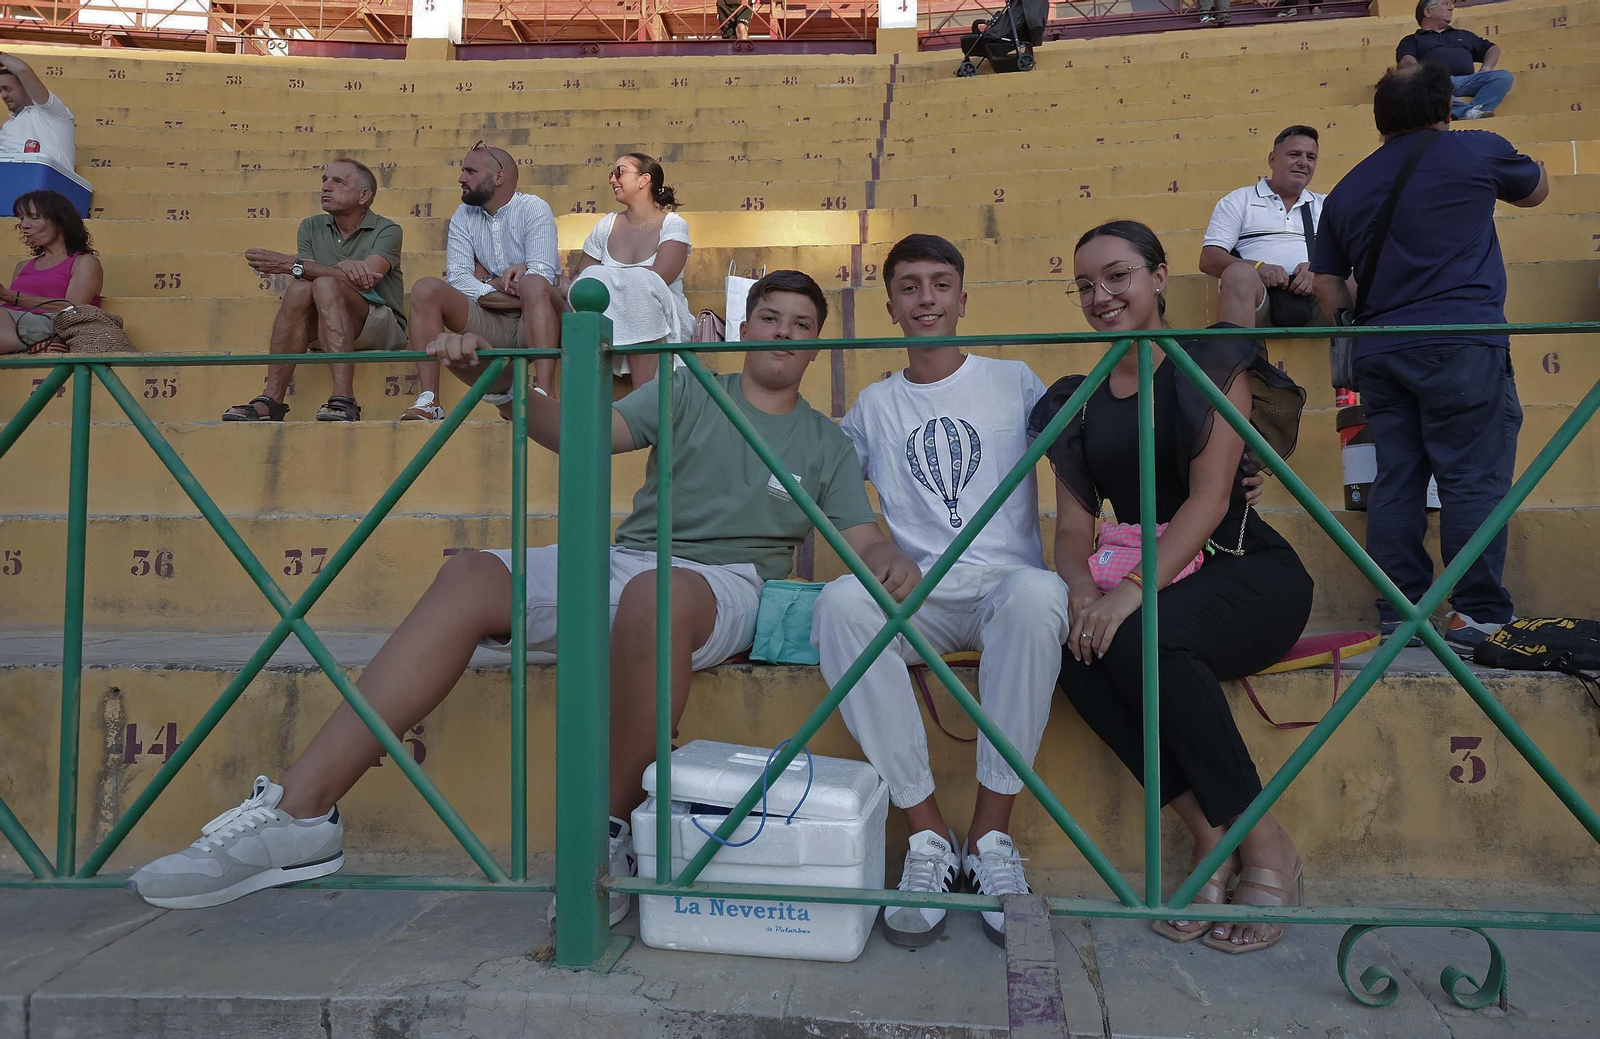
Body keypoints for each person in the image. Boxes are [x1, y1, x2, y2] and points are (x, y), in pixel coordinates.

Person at [126, 270, 921, 924]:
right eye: (770, 316)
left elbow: (861, 533)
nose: (783, 332)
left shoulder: (825, 438)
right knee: (470, 574)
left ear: (819, 342)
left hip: (724, 587)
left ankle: (607, 839)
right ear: (746, 325)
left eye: (801, 323)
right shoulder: (687, 392)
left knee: (656, 594)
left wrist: (890, 561)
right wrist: (491, 376)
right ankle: (300, 813)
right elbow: (580, 432)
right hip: (632, 561)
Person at [1031, 220, 1312, 953]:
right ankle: (1211, 835)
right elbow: (1071, 529)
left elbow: (1210, 501)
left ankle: (1266, 841)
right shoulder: (1080, 395)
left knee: (1142, 634)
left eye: (1118, 275)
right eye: (1086, 284)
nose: (1102, 295)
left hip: (1245, 571)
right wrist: (1080, 591)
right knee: (1073, 648)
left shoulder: (1210, 364)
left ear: (1159, 278)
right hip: (1145, 578)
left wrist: (1126, 593)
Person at [811, 234, 1070, 949]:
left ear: (962, 297)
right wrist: (882, 548)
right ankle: (928, 835)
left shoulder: (1014, 378)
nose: (926, 298)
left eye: (940, 284)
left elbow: (1092, 443)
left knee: (1039, 597)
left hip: (1000, 587)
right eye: (910, 286)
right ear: (890, 303)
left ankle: (990, 837)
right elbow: (822, 483)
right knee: (838, 605)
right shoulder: (873, 403)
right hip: (915, 593)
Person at [1312, 63, 1546, 650]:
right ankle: (1477, 615)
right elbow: (1537, 190)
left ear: (1379, 119)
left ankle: (1401, 617)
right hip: (1463, 341)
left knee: (1397, 480)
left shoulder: (1345, 190)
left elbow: (1329, 289)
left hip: (1382, 350)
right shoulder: (1477, 150)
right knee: (1472, 478)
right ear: (1446, 110)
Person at [223, 159, 407, 422]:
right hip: (328, 322)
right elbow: (304, 274)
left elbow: (366, 279)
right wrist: (320, 269)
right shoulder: (310, 226)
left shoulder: (388, 230)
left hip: (380, 325)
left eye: (338, 182)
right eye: (324, 180)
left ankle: (344, 399)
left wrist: (290, 265)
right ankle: (272, 399)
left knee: (324, 283)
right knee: (300, 290)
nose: (325, 187)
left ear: (364, 196)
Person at [406, 144, 562, 416]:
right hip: (494, 320)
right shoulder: (463, 215)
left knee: (534, 284)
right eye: (462, 171)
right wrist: (494, 286)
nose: (461, 179)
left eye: (470, 171)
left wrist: (491, 282)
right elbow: (458, 279)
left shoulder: (534, 208)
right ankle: (430, 401)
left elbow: (542, 275)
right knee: (425, 289)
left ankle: (546, 394)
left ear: (498, 177)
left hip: (535, 320)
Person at [572, 153, 695, 388]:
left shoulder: (672, 223)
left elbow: (660, 277)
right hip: (613, 317)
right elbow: (584, 279)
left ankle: (645, 394)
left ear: (643, 180)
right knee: (593, 279)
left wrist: (608, 276)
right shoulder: (606, 225)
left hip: (664, 318)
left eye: (620, 172)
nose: (612, 179)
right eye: (611, 173)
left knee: (642, 283)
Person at [1200, 126, 1332, 329]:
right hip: (1257, 301)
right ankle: (1235, 359)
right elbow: (1209, 259)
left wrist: (1319, 270)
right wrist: (1257, 268)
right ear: (1272, 159)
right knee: (1239, 274)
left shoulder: (1327, 205)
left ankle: (1363, 359)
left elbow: (1350, 257)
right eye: (1294, 154)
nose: (1303, 162)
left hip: (1317, 301)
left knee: (1355, 278)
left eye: (1311, 157)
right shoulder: (1239, 200)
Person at [0, 189, 102, 354]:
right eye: (21, 218)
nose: (24, 225)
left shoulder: (84, 262)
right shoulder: (22, 266)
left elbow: (73, 309)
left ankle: (44, 342)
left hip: (51, 324)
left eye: (34, 218)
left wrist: (11, 296)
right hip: (12, 323)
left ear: (61, 222)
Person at [1396, 0, 1512, 120]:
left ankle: (1475, 110)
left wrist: (1486, 68)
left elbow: (1492, 49)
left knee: (1503, 77)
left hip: (1467, 81)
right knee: (1423, 87)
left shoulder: (1463, 35)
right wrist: (1421, 75)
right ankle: (1469, 112)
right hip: (1435, 83)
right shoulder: (1412, 40)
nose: (1451, 8)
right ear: (1428, 12)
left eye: (1451, 5)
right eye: (1445, 4)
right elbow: (1406, 61)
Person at [0, 52, 75, 167]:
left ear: (25, 87)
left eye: (7, 89)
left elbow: (23, 70)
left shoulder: (51, 113)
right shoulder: (7, 126)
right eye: (0, 91)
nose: (3, 95)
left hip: (47, 181)